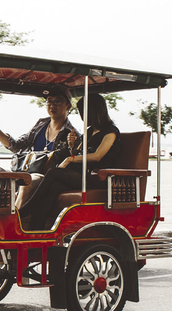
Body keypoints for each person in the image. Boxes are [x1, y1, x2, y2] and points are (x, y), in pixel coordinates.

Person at [19, 93, 121, 230]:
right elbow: (78, 154)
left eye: (83, 112)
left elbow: (97, 156)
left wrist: (70, 159)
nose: (81, 116)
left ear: (93, 111)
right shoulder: (90, 132)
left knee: (54, 173)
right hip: (82, 173)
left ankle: (27, 209)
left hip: (97, 176)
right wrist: (72, 147)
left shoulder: (110, 131)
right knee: (55, 187)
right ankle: (37, 225)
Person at [0, 87, 80, 207]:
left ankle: (15, 220)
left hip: (46, 177)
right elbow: (16, 146)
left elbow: (72, 161)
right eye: (49, 101)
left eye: (58, 101)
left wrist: (72, 147)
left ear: (68, 106)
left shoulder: (72, 134)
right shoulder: (41, 125)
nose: (52, 105)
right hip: (26, 170)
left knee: (27, 182)